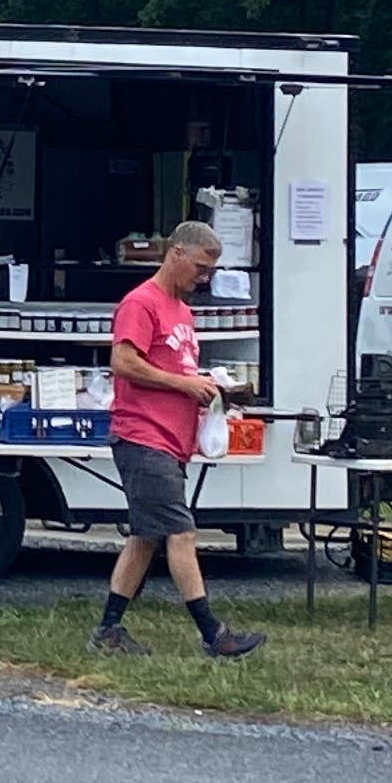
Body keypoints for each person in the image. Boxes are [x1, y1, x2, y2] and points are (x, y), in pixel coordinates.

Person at [96, 219, 258, 660]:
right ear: (177, 253)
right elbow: (124, 362)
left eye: (210, 271)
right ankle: (214, 634)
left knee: (145, 538)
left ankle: (108, 629)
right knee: (181, 534)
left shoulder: (183, 313)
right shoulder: (141, 303)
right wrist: (184, 386)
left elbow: (177, 373)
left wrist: (207, 388)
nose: (203, 277)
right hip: (143, 436)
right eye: (201, 267)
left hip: (171, 439)